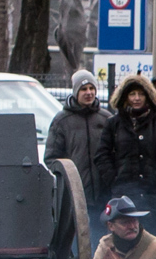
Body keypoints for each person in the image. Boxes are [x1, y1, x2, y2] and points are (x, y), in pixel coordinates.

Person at [95, 75, 156, 239]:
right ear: (125, 97)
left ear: (148, 96)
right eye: (132, 94)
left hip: (152, 196)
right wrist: (115, 179)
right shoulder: (113, 123)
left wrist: (155, 179)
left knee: (155, 244)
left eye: (141, 94)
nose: (137, 98)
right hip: (122, 194)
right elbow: (102, 155)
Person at [45, 71, 113, 246]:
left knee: (101, 239)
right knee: (75, 240)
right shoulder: (62, 121)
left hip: (102, 192)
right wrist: (68, 179)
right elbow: (51, 158)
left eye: (92, 88)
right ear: (75, 92)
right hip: (75, 194)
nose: (89, 92)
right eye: (84, 89)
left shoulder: (106, 119)